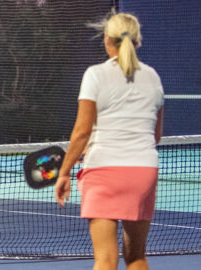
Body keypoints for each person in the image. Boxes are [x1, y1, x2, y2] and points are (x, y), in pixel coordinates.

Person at [54, 12, 164, 270]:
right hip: (144, 171)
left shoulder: (95, 74)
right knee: (136, 256)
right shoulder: (154, 77)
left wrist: (64, 172)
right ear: (138, 40)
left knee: (105, 259)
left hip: (103, 170)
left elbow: (82, 132)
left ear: (107, 39)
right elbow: (155, 136)